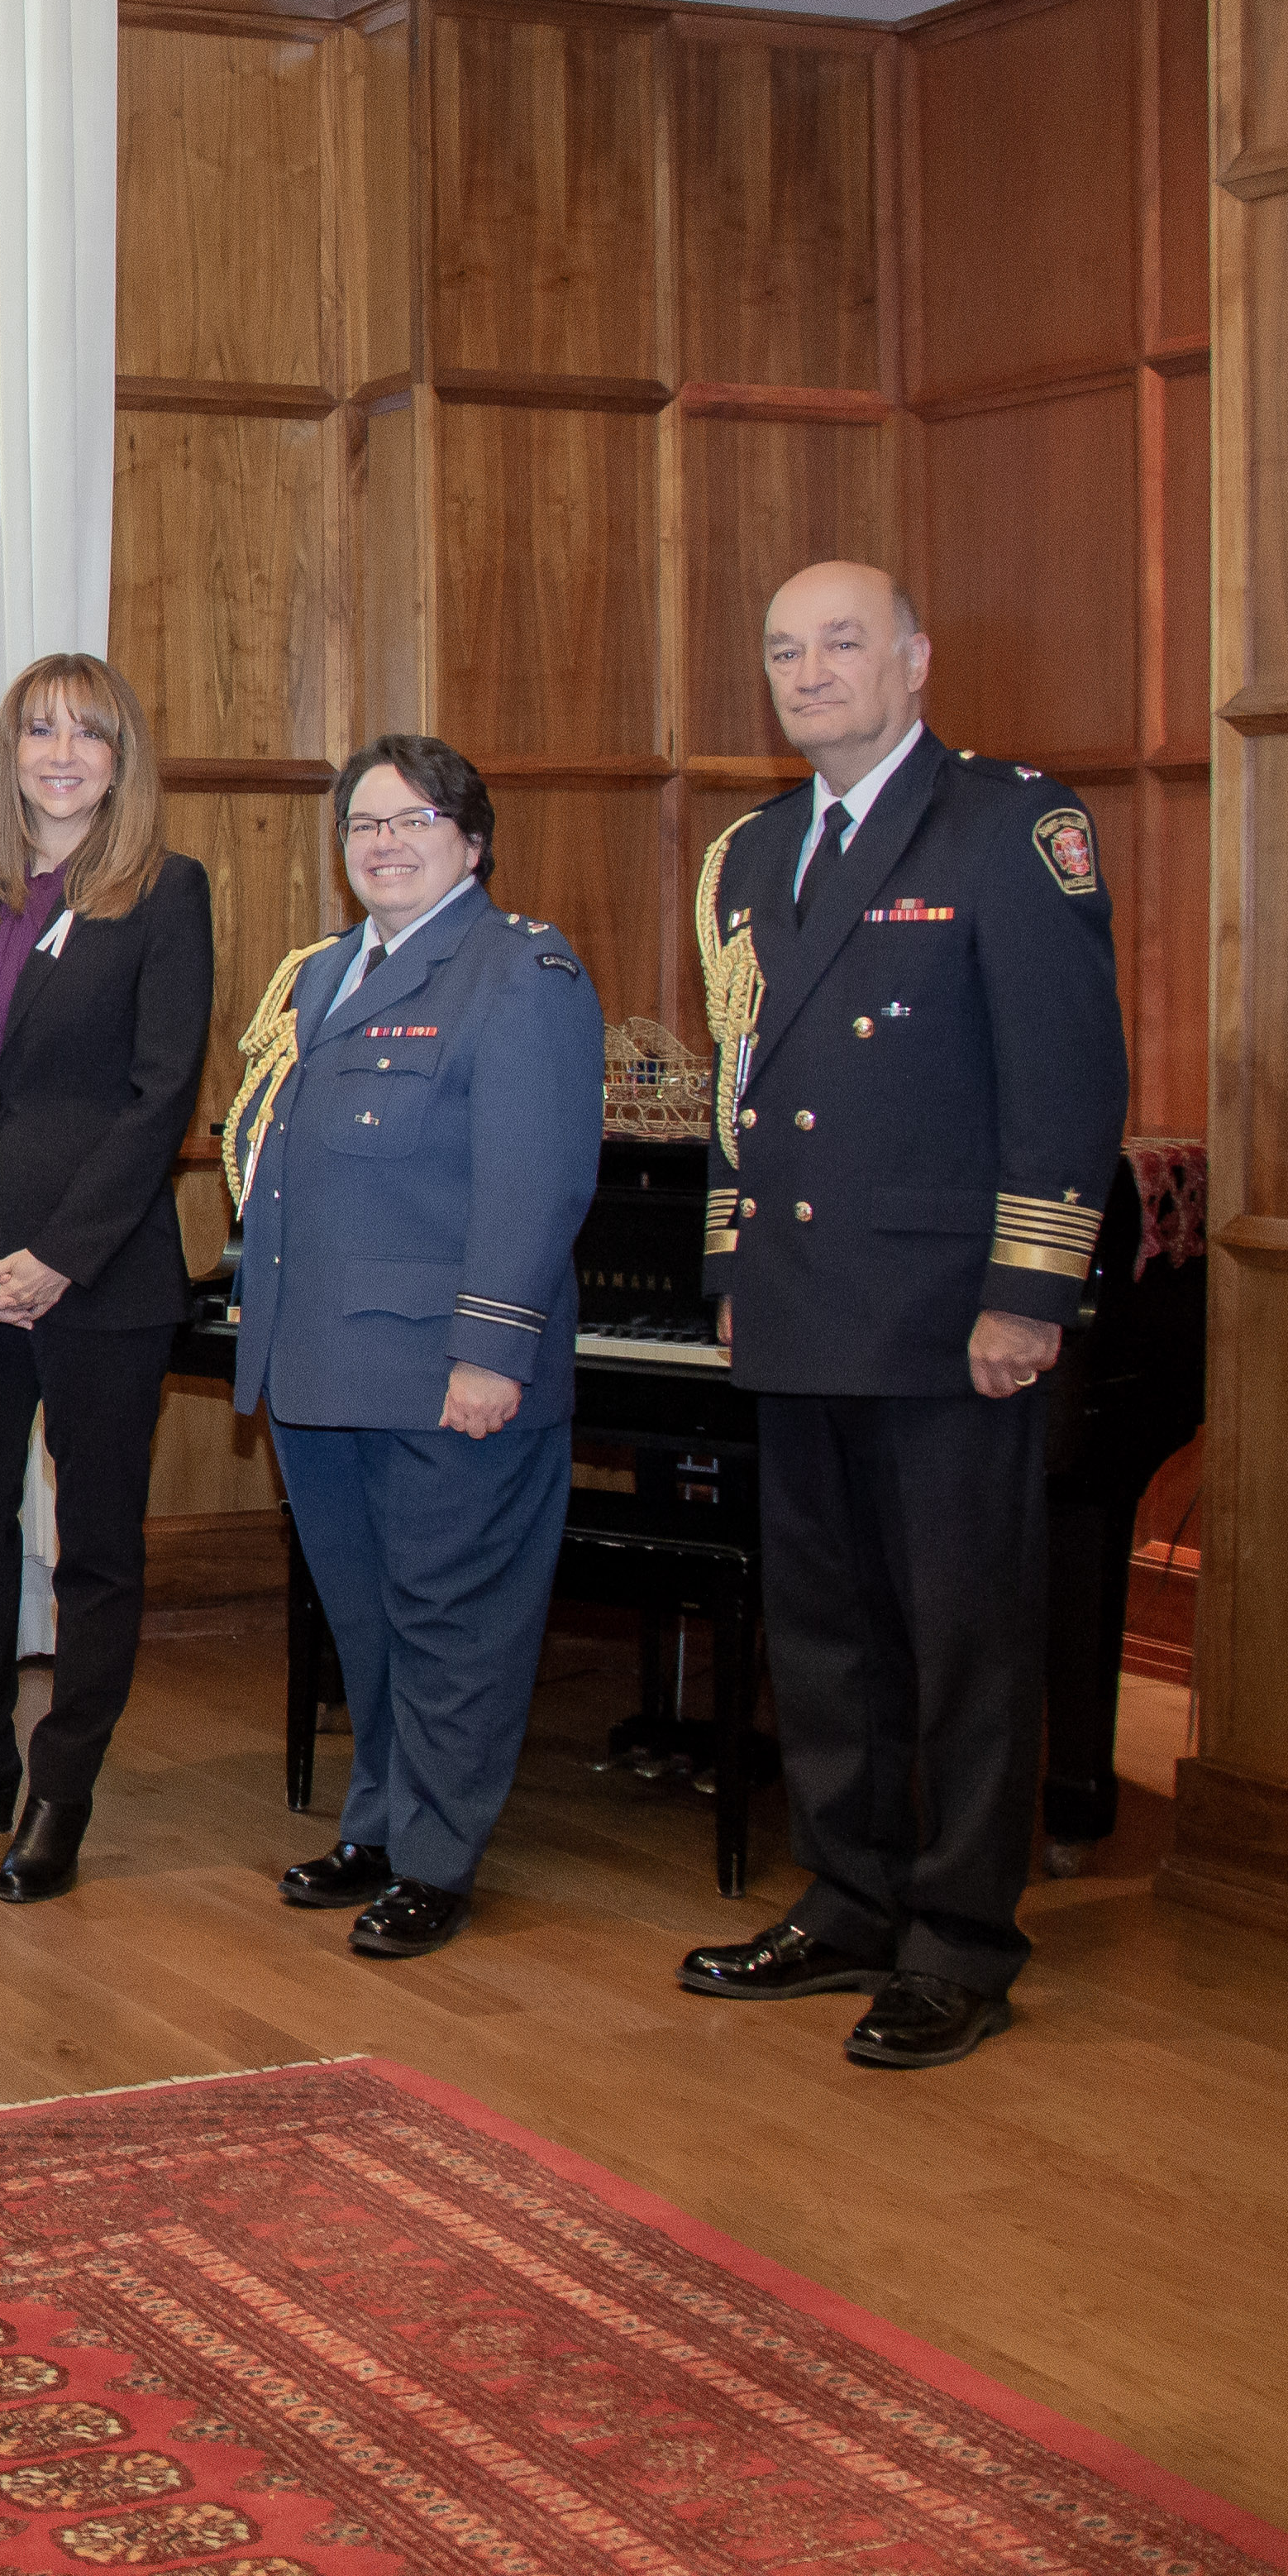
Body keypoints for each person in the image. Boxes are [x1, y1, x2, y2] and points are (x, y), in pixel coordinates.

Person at [677, 560, 1127, 2069]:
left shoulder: (1011, 827)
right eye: (785, 650)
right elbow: (744, 1090)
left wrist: (1028, 1292)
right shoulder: (750, 854)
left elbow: (1068, 1083)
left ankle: (962, 1938)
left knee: (966, 1639)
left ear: (916, 659)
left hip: (948, 1316)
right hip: (803, 1309)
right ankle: (853, 1895)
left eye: (842, 644)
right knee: (825, 1633)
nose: (810, 673)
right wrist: (735, 1269)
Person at [221, 735, 603, 1962]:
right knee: (371, 1621)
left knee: (453, 1626)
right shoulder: (326, 973)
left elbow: (536, 1184)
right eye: (363, 825)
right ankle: (379, 1824)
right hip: (323, 1371)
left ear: (472, 840)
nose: (383, 842)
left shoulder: (517, 971)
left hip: (448, 1375)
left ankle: (437, 1858)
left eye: (413, 819)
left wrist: (493, 1352)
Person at [0, 653, 216, 1901]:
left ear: (122, 757)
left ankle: (58, 1788)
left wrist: (58, 1257)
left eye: (88, 732)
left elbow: (159, 1095)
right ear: (9, 754)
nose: (61, 752)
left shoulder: (166, 894)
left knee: (98, 1547)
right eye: (38, 730)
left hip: (102, 1280)